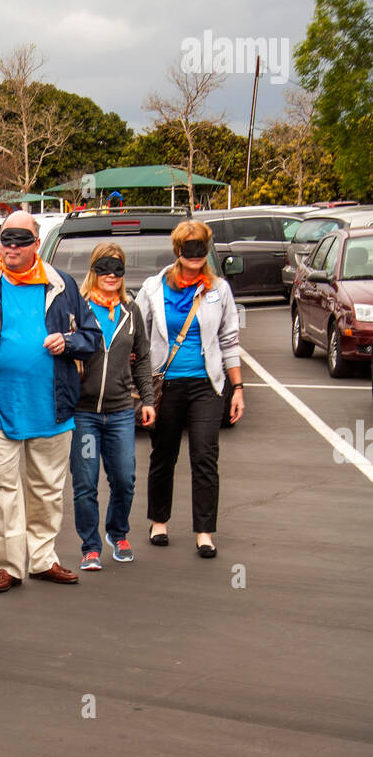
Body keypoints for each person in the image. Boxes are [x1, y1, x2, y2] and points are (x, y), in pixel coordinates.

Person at [0, 211, 101, 590]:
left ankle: (43, 558)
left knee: (47, 489)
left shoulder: (61, 285)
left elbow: (92, 337)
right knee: (3, 491)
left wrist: (67, 343)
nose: (10, 247)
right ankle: (9, 566)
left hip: (52, 405)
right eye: (5, 239)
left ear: (36, 243)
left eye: (19, 239)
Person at [136, 220, 244, 557]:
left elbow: (229, 340)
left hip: (206, 385)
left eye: (201, 247)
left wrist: (237, 388)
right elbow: (138, 336)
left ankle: (205, 531)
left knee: (205, 455)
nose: (195, 255)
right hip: (164, 383)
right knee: (163, 454)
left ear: (207, 249)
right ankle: (158, 521)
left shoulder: (219, 290)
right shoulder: (154, 288)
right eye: (188, 248)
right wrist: (139, 389)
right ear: (178, 251)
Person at [71, 243, 155, 570]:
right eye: (104, 267)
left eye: (117, 268)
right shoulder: (78, 309)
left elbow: (143, 359)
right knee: (85, 481)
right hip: (85, 414)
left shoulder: (131, 313)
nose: (110, 275)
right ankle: (90, 545)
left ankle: (117, 532)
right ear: (93, 269)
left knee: (124, 477)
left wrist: (147, 399)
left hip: (120, 411)